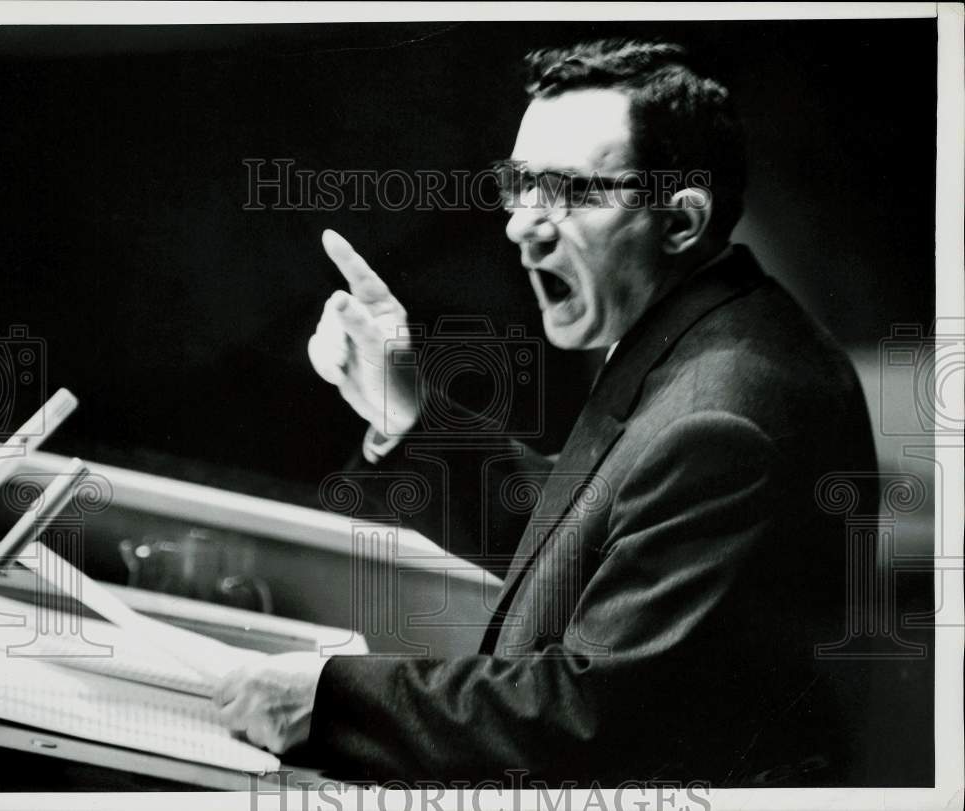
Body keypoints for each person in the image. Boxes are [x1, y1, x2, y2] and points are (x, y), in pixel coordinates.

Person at [212, 39, 877, 787]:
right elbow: (581, 538)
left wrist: (327, 700)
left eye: (567, 192)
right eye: (520, 184)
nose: (520, 225)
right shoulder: (711, 330)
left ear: (682, 220)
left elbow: (588, 712)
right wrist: (408, 416)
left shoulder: (724, 416)